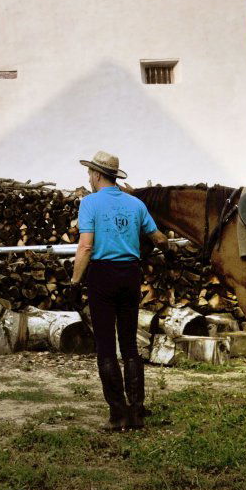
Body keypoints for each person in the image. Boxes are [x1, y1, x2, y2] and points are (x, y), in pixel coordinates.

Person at [70, 150, 165, 431]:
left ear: (98, 174)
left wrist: (75, 282)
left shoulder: (89, 204)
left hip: (102, 275)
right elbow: (157, 237)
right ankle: (136, 412)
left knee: (106, 347)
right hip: (130, 274)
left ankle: (118, 414)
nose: (88, 177)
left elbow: (86, 246)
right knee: (130, 346)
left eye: (89, 172)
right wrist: (170, 247)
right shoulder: (135, 204)